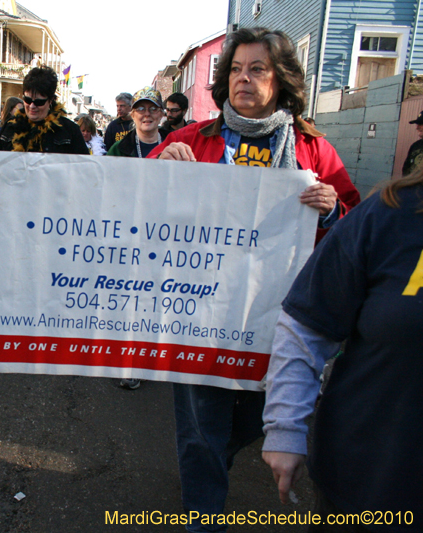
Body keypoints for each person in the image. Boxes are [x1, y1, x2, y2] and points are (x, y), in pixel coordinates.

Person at [147, 27, 361, 532]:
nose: (243, 79)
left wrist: (332, 210)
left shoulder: (312, 149)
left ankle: (210, 460)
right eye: (237, 69)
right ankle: (203, 514)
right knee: (201, 424)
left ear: (280, 80)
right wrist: (160, 165)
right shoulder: (192, 140)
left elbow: (356, 228)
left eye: (257, 69)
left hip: (281, 315)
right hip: (201, 313)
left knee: (261, 416)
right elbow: (135, 203)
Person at [262, 167, 423, 529]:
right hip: (372, 481)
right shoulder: (389, 214)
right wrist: (285, 427)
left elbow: (343, 199)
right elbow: (306, 326)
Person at [0, 67, 89, 154]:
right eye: (28, 100)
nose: (32, 106)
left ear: (50, 101)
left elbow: (83, 165)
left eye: (39, 102)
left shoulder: (70, 131)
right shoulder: (10, 126)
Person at [107, 86, 164, 158]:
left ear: (161, 114)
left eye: (153, 109)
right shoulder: (118, 150)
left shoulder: (173, 144)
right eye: (141, 109)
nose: (147, 114)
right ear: (132, 115)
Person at [402, 111, 423, 176]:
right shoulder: (415, 145)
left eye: (421, 124)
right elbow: (406, 169)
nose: (417, 127)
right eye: (417, 124)